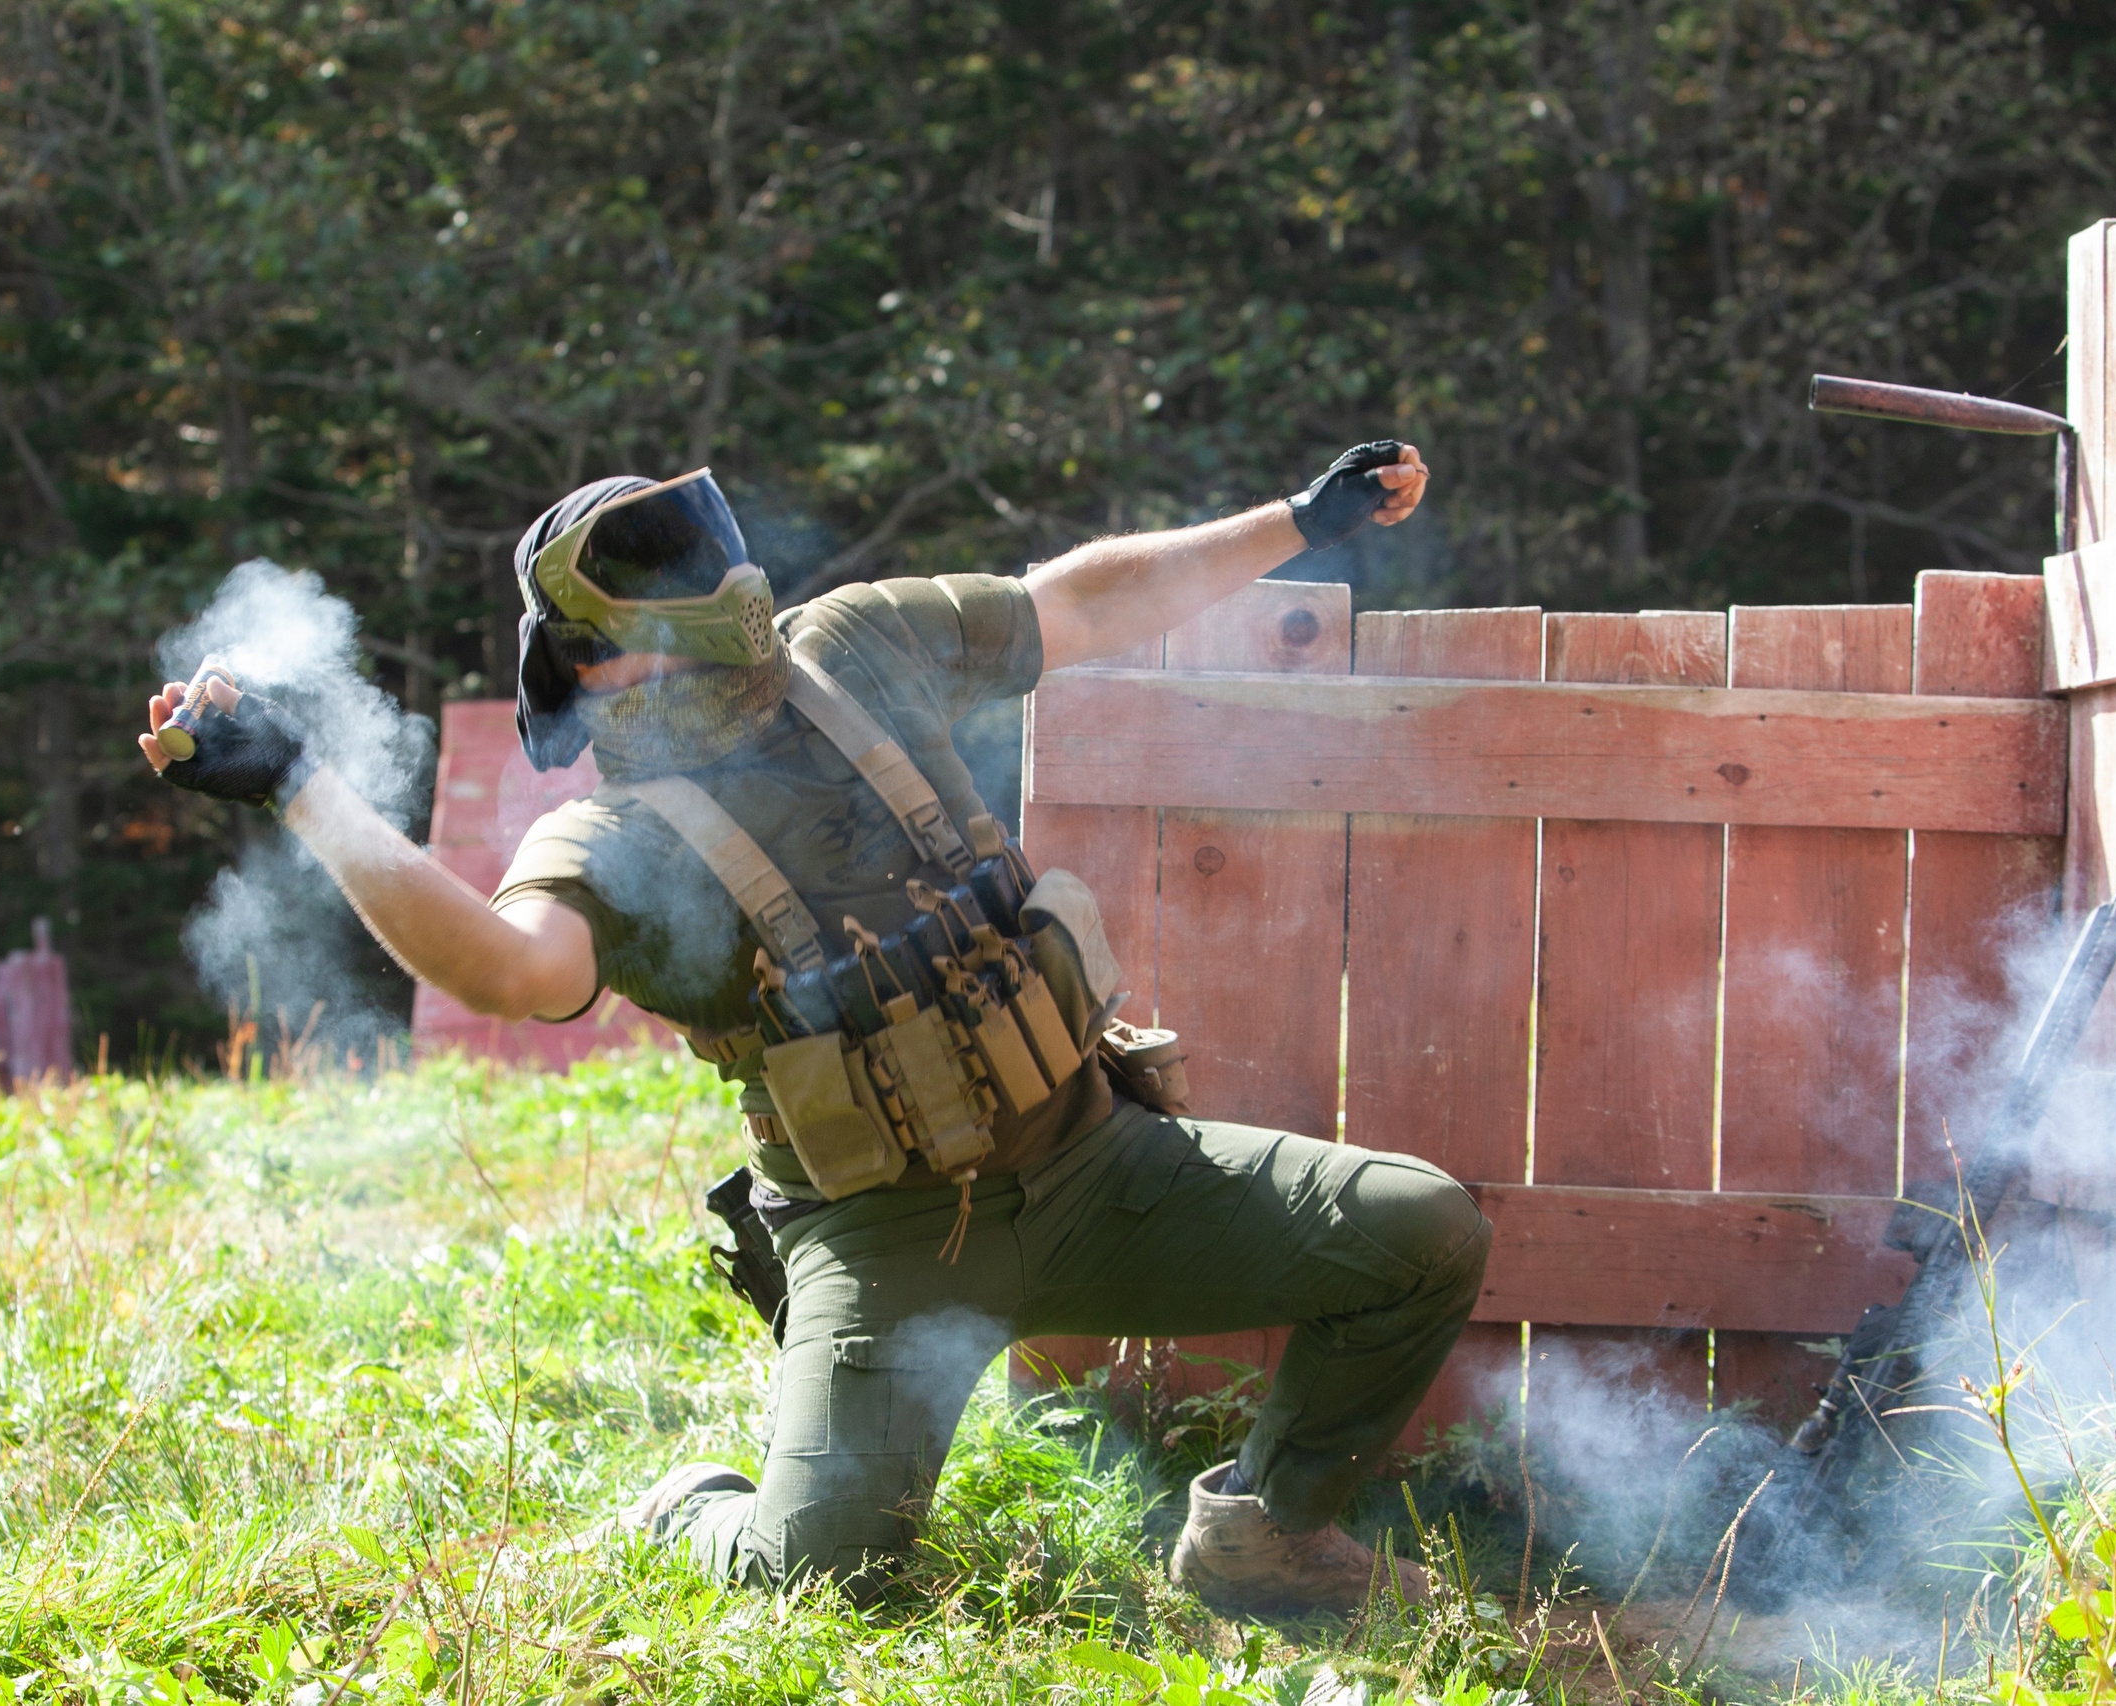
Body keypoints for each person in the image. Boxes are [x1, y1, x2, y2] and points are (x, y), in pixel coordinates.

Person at [140, 443, 1493, 1610]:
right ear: (595, 658)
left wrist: (1298, 521)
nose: (719, 578)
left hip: (1103, 1167)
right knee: (824, 1573)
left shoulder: (858, 646)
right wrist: (304, 787)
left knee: (1422, 1229)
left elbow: (1072, 603)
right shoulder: (613, 838)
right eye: (661, 569)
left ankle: (1267, 1531)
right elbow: (508, 971)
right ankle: (690, 1510)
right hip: (887, 1244)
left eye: (698, 538)